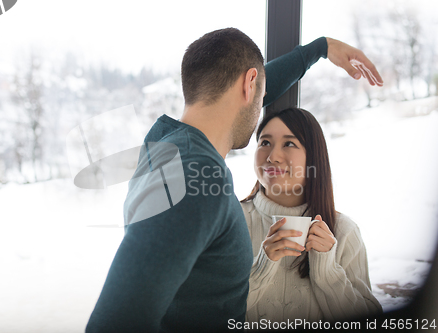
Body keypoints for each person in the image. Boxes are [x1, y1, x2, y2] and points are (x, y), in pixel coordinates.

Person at [85, 28, 383, 333]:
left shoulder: (165, 144)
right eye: (261, 93)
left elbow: (252, 91)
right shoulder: (195, 178)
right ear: (249, 83)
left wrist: (319, 49)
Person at [241, 108, 383, 323]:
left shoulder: (344, 231)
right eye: (264, 143)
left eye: (289, 144)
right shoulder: (231, 221)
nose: (272, 156)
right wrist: (262, 266)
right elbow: (207, 316)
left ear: (313, 157)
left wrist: (327, 271)